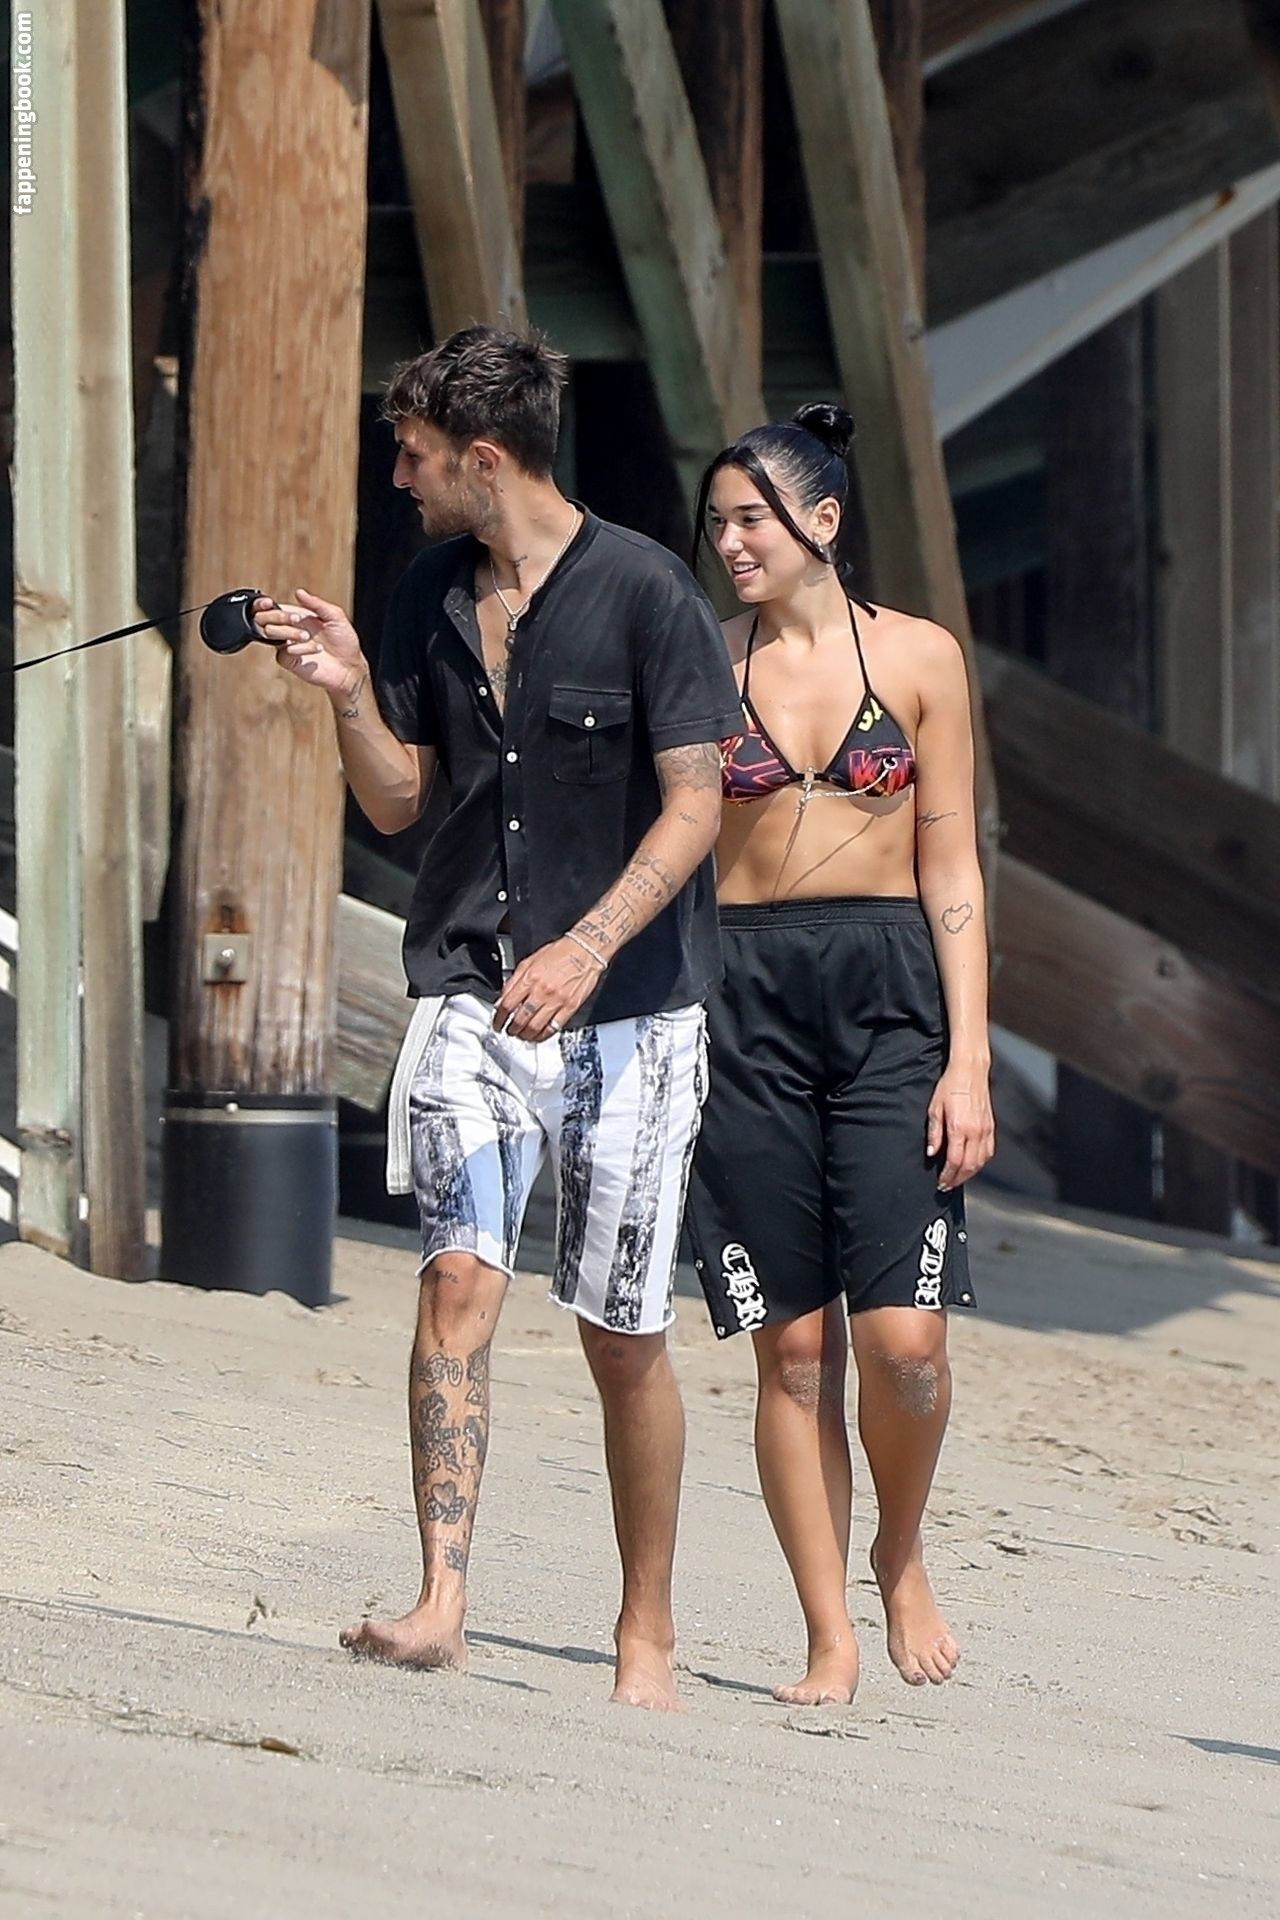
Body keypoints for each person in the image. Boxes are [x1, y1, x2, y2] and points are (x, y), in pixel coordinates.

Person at [254, 326, 742, 1711]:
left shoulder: (647, 590)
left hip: (631, 1014)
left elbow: (697, 804)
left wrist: (589, 944)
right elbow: (401, 801)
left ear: (483, 457)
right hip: (469, 988)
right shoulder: (425, 591)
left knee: (620, 1332)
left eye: (413, 455)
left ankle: (645, 1630)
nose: (398, 478)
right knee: (456, 1282)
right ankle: (442, 1602)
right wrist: (350, 694)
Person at [684, 403, 995, 1706]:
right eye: (717, 524)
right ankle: (828, 1634)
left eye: (752, 519)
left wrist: (969, 1058)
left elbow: (951, 863)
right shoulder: (702, 663)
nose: (731, 543)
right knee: (794, 1352)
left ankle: (898, 1551)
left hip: (890, 1001)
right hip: (743, 1001)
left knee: (907, 1343)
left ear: (822, 518)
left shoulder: (920, 658)